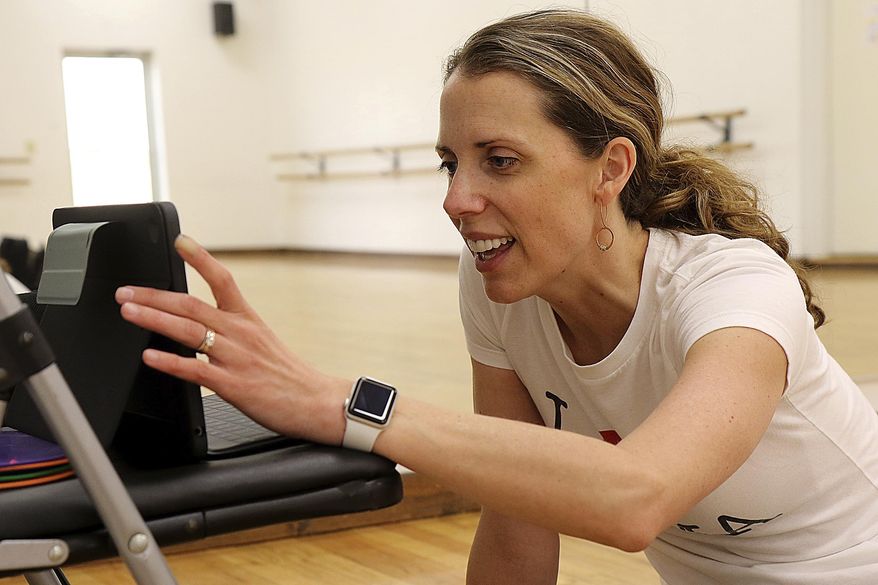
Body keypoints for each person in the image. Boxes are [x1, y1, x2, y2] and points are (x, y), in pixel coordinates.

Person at [115, 8, 878, 585]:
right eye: (451, 162)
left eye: (500, 160)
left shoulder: (736, 286)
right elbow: (517, 520)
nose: (457, 198)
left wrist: (348, 403)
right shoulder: (501, 288)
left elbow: (633, 497)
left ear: (610, 168)